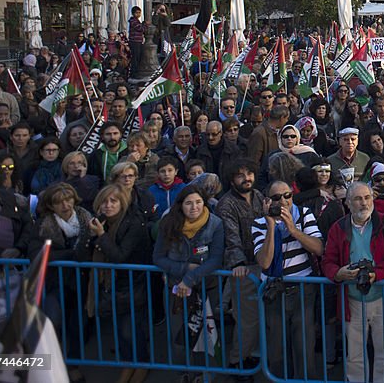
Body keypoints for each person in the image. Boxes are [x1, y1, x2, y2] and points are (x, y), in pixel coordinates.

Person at [322, 182, 384, 383]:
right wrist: (339, 274)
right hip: (352, 299)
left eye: (367, 198)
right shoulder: (338, 227)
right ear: (348, 203)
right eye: (358, 199)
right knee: (354, 353)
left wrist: (377, 274)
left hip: (382, 298)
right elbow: (327, 261)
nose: (363, 203)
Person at [77, 184, 152, 382]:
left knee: (131, 330)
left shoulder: (133, 223)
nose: (108, 205)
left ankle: (142, 365)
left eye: (113, 201)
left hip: (132, 284)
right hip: (111, 286)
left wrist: (101, 236)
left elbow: (120, 256)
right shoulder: (101, 222)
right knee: (121, 332)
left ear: (122, 203)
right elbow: (84, 252)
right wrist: (94, 236)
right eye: (104, 201)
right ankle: (128, 365)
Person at [252, 179, 324, 380]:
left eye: (288, 195)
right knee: (278, 351)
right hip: (274, 293)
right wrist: (271, 227)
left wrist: (293, 230)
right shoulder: (259, 224)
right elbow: (264, 262)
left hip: (303, 290)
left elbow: (318, 248)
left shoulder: (304, 215)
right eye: (277, 197)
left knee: (304, 349)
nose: (284, 201)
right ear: (268, 201)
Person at [153, 186, 225, 381]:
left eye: (198, 202)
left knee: (204, 336)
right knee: (179, 337)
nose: (194, 207)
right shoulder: (168, 224)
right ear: (180, 205)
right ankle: (184, 374)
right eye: (189, 203)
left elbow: (216, 259)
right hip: (176, 291)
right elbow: (158, 258)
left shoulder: (215, 224)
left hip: (205, 289)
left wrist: (190, 279)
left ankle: (204, 375)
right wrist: (185, 270)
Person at [32, 183, 93, 382]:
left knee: (77, 325)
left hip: (82, 282)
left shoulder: (86, 218)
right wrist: (71, 254)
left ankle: (73, 365)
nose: (65, 205)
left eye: (68, 200)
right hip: (54, 282)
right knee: (53, 321)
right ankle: (52, 365)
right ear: (51, 205)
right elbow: (36, 253)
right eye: (59, 202)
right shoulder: (43, 224)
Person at [215, 159, 266, 374]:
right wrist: (238, 263)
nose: (247, 179)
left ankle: (252, 355)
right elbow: (230, 236)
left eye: (249, 174)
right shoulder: (226, 204)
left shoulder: (259, 196)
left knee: (260, 318)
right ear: (231, 179)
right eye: (240, 175)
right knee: (247, 320)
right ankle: (238, 362)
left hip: (264, 264)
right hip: (245, 268)